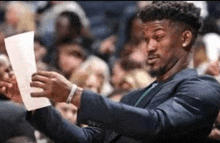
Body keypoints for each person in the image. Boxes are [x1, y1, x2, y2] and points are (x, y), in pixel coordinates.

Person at [6, 1, 220, 143]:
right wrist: (36, 102)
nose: (150, 47)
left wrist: (73, 95)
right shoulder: (132, 97)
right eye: (146, 39)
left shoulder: (204, 87)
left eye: (159, 37)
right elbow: (85, 139)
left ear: (185, 38)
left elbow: (155, 124)